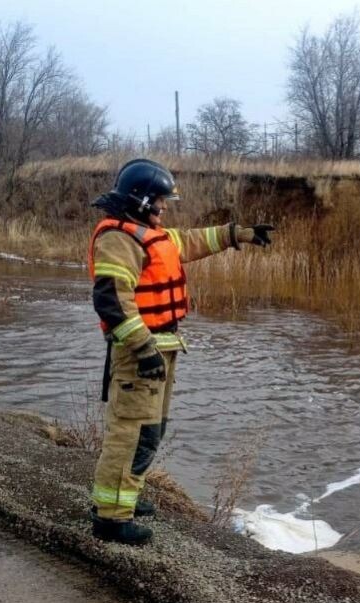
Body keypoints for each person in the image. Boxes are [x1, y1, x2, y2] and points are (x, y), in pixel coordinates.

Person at [87, 158, 273, 545]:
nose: (165, 207)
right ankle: (110, 517)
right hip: (140, 352)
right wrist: (143, 349)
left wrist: (239, 234)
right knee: (131, 432)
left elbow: (192, 240)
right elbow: (112, 303)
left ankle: (126, 499)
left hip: (161, 348)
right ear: (140, 200)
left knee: (151, 431)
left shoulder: (150, 234)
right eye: (160, 200)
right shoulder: (118, 239)